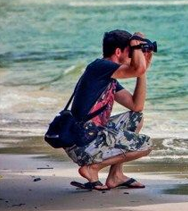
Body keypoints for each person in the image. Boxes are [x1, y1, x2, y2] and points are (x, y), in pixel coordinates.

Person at [65, 30, 153, 190]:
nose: (133, 56)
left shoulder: (107, 75)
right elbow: (136, 68)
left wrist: (143, 70)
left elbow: (136, 106)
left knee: (136, 117)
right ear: (118, 52)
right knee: (145, 145)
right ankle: (92, 168)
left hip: (89, 136)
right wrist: (138, 47)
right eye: (131, 52)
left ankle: (116, 176)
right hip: (81, 144)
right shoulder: (100, 67)